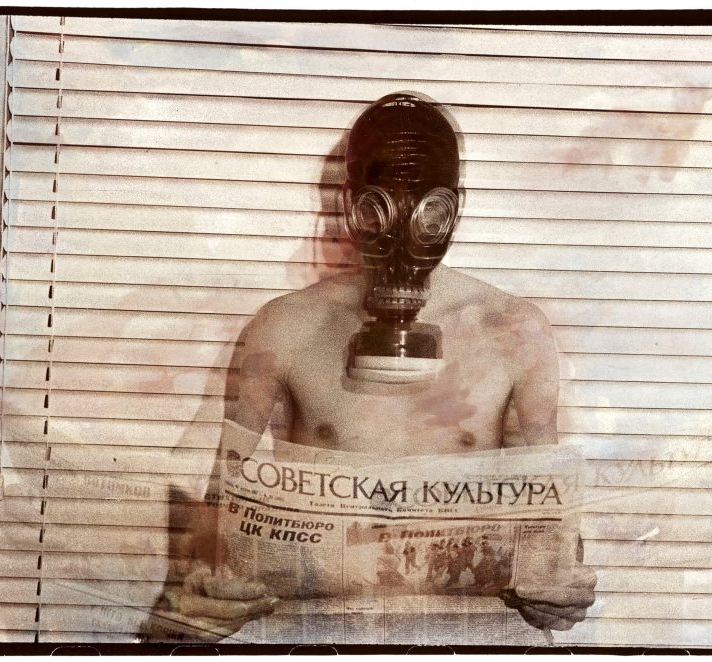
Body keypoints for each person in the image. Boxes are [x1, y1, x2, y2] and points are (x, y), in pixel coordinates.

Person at [161, 92, 596, 639]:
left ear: (451, 208)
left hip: (465, 636)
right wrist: (209, 584)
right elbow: (219, 508)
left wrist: (559, 592)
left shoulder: (512, 331)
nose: (402, 225)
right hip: (324, 634)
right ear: (352, 204)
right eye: (380, 202)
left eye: (425, 204)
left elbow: (551, 527)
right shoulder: (284, 326)